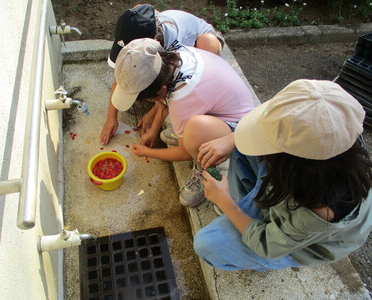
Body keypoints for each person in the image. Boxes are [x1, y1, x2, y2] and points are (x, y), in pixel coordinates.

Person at [193, 79, 372, 271]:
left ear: (293, 164)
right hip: (293, 189)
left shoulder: (321, 210)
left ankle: (254, 246)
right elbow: (269, 132)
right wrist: (233, 138)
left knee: (207, 244)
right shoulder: (339, 136)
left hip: (291, 238)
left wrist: (224, 202)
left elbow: (267, 245)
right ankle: (245, 210)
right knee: (243, 146)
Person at [111, 38, 255, 207]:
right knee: (191, 127)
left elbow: (184, 153)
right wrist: (153, 130)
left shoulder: (183, 100)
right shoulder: (172, 58)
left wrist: (147, 152)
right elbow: (165, 101)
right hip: (224, 106)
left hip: (240, 128)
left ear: (160, 90)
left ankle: (207, 172)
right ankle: (188, 134)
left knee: (194, 132)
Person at [100, 3, 225, 145]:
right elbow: (122, 77)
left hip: (198, 42)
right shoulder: (133, 41)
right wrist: (111, 118)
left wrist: (153, 116)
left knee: (208, 41)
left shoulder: (172, 48)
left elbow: (167, 88)